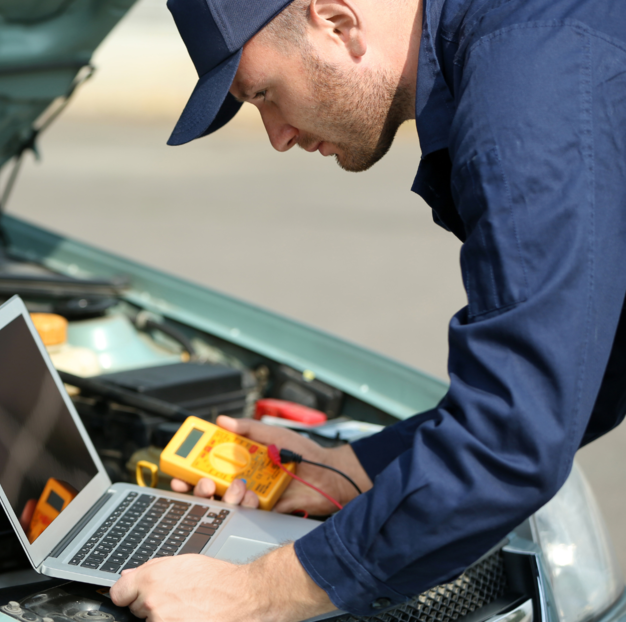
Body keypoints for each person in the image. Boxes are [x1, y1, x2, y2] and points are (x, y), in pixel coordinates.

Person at [109, 0, 626, 620]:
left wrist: (255, 593)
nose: (277, 136)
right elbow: (586, 374)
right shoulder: (530, 34)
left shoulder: (528, 90)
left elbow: (512, 439)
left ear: (336, 22)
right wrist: (352, 467)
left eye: (265, 94)